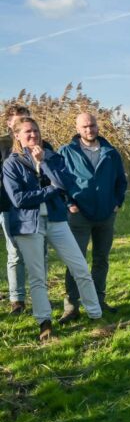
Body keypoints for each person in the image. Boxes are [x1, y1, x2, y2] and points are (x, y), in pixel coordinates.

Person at [2, 117, 102, 341]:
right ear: (17, 135)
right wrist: (51, 190)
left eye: (36, 131)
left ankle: (96, 315)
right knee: (38, 276)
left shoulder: (53, 157)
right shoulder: (11, 164)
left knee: (80, 268)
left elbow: (65, 184)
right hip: (29, 224)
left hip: (57, 220)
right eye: (27, 132)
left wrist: (43, 162)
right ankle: (44, 323)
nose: (33, 135)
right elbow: (18, 199)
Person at [56, 113, 127, 323]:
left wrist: (117, 202)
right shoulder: (66, 152)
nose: (89, 130)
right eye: (85, 126)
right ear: (78, 128)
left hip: (106, 215)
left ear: (98, 126)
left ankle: (98, 300)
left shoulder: (111, 152)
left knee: (101, 259)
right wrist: (69, 203)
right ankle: (71, 306)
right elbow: (58, 182)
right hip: (79, 215)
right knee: (76, 260)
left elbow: (121, 181)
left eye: (93, 125)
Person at [0, 104, 40, 314]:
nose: (22, 122)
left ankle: (39, 295)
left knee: (36, 252)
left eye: (25, 118)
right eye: (17, 119)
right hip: (7, 204)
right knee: (14, 251)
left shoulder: (37, 144)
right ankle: (17, 298)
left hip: (33, 204)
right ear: (8, 123)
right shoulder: (2, 145)